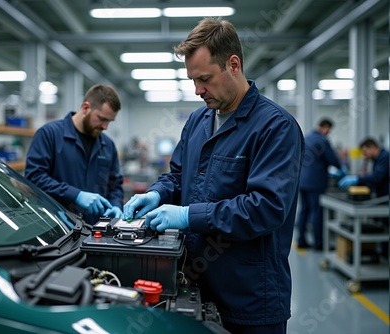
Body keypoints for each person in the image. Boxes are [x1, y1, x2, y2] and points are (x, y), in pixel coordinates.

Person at [123, 18, 304, 334]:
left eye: (204, 78)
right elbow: (178, 175)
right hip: (194, 288)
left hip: (249, 301)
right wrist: (157, 193)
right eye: (193, 79)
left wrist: (188, 215)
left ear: (233, 64)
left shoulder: (276, 127)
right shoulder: (198, 121)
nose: (197, 90)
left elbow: (266, 207)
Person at [25, 84, 124, 225]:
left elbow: (115, 185)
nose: (105, 127)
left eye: (109, 121)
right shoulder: (49, 134)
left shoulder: (108, 145)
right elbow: (34, 177)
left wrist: (116, 205)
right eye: (102, 119)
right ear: (85, 108)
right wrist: (75, 195)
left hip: (95, 230)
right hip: (57, 228)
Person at [297, 119, 343, 250]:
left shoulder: (305, 138)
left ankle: (301, 240)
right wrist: (341, 168)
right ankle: (318, 243)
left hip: (302, 181)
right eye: (329, 129)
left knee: (304, 210)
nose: (329, 132)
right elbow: (332, 159)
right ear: (326, 127)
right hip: (316, 183)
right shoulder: (322, 140)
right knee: (317, 211)